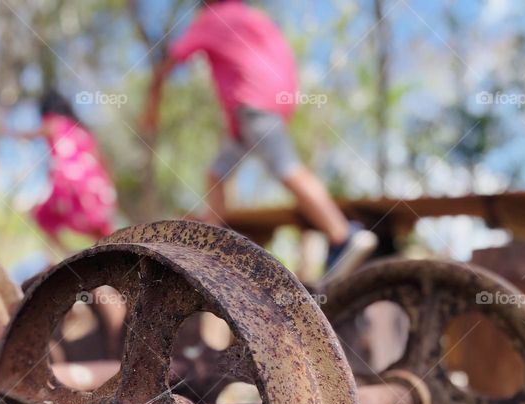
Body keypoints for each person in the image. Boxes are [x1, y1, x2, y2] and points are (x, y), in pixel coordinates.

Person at [141, 0, 376, 283]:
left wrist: (152, 105)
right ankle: (209, 239)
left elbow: (170, 60)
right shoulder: (254, 17)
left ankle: (342, 233)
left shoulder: (211, 17)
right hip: (268, 106)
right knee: (217, 172)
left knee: (286, 168)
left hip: (252, 105)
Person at [9, 89, 118, 257]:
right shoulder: (82, 130)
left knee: (41, 215)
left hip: (69, 184)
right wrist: (109, 185)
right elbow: (101, 159)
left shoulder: (53, 122)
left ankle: (67, 253)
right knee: (102, 231)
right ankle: (116, 254)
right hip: (96, 185)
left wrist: (7, 130)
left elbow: (29, 135)